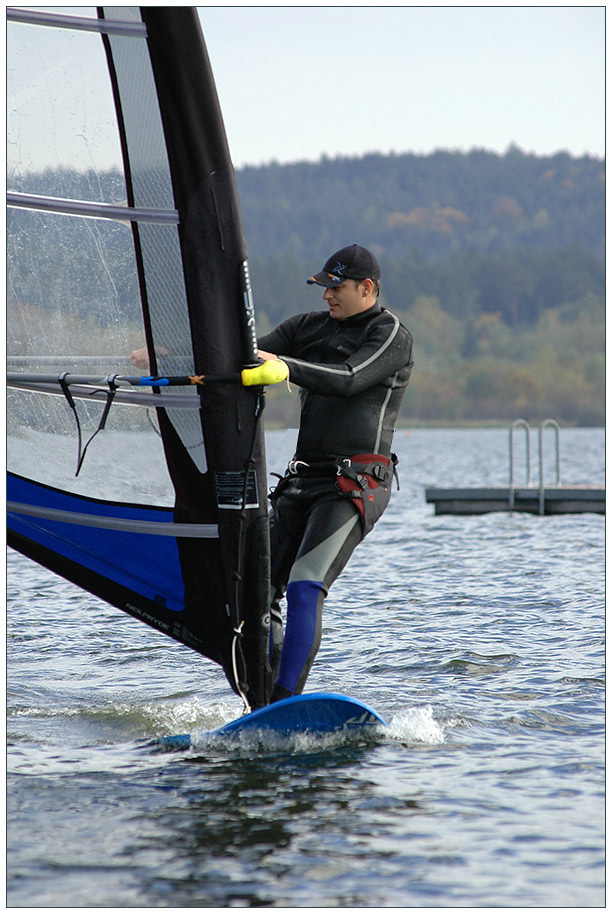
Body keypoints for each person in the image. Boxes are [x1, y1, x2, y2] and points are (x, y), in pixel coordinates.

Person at [257, 244, 414, 703]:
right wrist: (169, 354)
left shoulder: (390, 334)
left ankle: (285, 700)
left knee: (305, 584)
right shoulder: (306, 328)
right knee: (249, 591)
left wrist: (286, 367)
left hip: (354, 485)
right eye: (323, 287)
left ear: (366, 288)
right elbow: (239, 354)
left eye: (336, 287)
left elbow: (349, 378)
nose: (327, 296)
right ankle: (264, 702)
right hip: (301, 481)